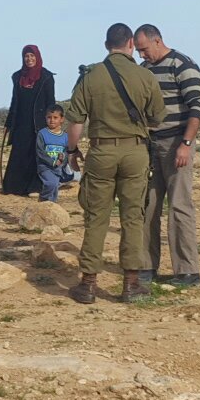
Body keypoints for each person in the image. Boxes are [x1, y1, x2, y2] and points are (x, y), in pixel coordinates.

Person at [62, 23, 163, 303]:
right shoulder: (145, 76)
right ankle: (131, 284)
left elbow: (76, 121)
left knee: (97, 218)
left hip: (102, 152)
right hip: (135, 152)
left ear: (107, 45)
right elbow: (157, 117)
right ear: (131, 43)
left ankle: (89, 284)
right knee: (133, 218)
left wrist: (72, 150)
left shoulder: (90, 76)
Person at [134, 23, 200, 287]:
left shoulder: (182, 64)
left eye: (144, 50)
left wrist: (185, 144)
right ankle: (146, 266)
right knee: (148, 207)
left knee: (179, 206)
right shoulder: (144, 70)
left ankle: (187, 271)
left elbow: (196, 109)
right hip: (150, 146)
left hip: (177, 143)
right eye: (138, 51)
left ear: (157, 41)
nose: (142, 55)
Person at [1, 44, 56, 198]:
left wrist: (51, 122)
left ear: (37, 57)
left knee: (37, 154)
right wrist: (8, 123)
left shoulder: (46, 77)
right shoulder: (17, 77)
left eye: (32, 56)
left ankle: (35, 187)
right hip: (21, 123)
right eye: (26, 56)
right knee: (19, 153)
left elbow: (50, 102)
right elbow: (14, 101)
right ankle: (14, 187)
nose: (29, 59)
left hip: (39, 123)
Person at [36, 104, 71, 202]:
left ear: (62, 119)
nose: (52, 120)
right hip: (45, 166)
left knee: (55, 188)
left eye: (55, 117)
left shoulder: (65, 136)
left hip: (58, 168)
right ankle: (42, 199)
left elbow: (66, 151)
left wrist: (62, 160)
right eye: (49, 117)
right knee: (50, 184)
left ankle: (51, 207)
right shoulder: (42, 133)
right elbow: (40, 151)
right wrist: (52, 162)